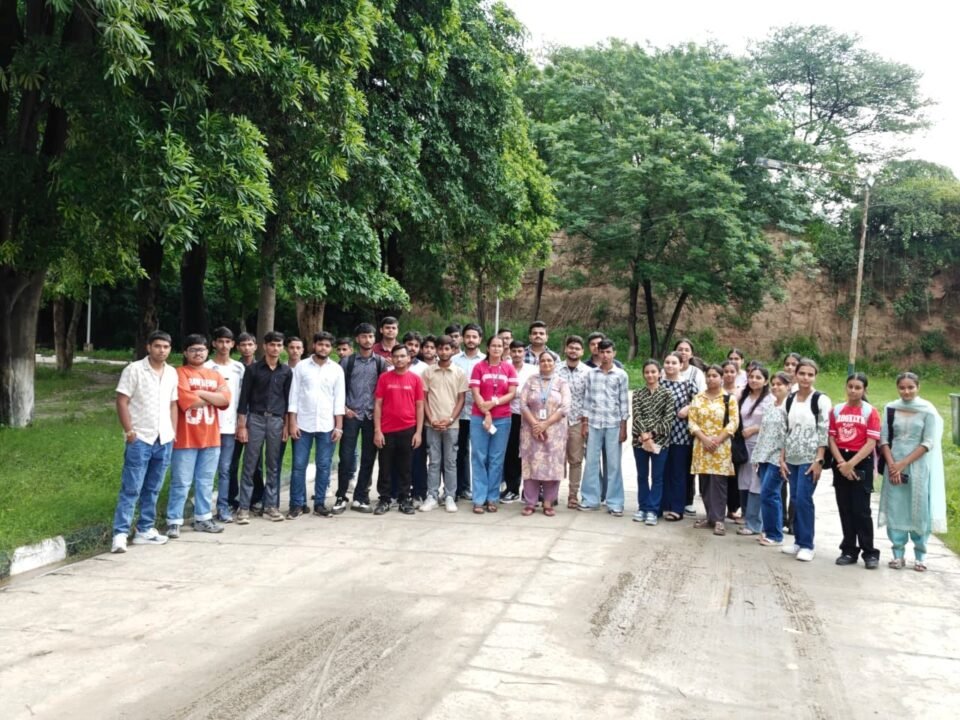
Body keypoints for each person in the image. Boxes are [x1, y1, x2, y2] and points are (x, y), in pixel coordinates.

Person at [111, 331, 179, 553]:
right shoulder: (134, 370)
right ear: (148, 347)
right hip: (140, 437)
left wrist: (173, 431)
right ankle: (120, 534)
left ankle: (145, 529)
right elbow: (122, 401)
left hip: (164, 438)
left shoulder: (171, 373)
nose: (162, 350)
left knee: (153, 487)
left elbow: (173, 404)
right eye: (158, 346)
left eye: (166, 347)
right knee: (131, 487)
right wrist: (129, 431)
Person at [879, 372, 947, 572]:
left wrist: (903, 463)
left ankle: (920, 555)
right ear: (897, 388)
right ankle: (897, 554)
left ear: (918, 387)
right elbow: (884, 439)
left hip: (918, 466)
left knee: (919, 508)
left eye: (911, 387)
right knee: (895, 506)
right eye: (902, 387)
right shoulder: (890, 408)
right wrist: (893, 465)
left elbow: (928, 442)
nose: (906, 391)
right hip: (893, 464)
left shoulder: (928, 410)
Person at [166, 335, 231, 539]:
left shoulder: (216, 375)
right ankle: (174, 521)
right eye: (193, 349)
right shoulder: (179, 373)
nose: (198, 353)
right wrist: (213, 397)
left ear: (207, 351)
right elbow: (188, 401)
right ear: (185, 352)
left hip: (211, 437)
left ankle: (203, 518)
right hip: (185, 437)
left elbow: (225, 400)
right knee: (181, 482)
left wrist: (200, 392)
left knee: (206, 481)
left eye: (201, 349)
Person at [235, 331, 292, 524]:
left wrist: (286, 425)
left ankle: (271, 506)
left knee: (273, 465)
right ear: (265, 346)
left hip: (276, 421)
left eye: (279, 345)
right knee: (250, 464)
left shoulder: (286, 371)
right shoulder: (253, 370)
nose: (275, 348)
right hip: (256, 419)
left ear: (282, 348)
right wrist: (242, 426)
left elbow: (287, 400)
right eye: (272, 344)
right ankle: (244, 507)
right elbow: (243, 399)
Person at [287, 331, 345, 518]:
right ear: (314, 345)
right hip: (303, 424)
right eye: (320, 344)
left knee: (324, 465)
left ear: (331, 348)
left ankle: (319, 503)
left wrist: (338, 427)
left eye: (327, 345)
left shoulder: (336, 369)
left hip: (327, 425)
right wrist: (292, 423)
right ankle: (297, 504)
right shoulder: (301, 367)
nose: (323, 348)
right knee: (298, 465)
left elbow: (339, 400)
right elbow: (294, 396)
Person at [827, 372, 881, 569]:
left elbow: (871, 442)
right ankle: (848, 550)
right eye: (850, 386)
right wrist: (842, 463)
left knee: (861, 510)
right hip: (841, 461)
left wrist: (852, 464)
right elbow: (832, 438)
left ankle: (870, 552)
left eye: (858, 387)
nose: (853, 391)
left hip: (861, 460)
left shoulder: (870, 412)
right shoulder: (836, 410)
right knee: (845, 508)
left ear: (864, 389)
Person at [781, 358, 831, 562]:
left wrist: (819, 459)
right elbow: (785, 429)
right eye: (802, 373)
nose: (805, 378)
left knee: (803, 499)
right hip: (791, 457)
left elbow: (824, 430)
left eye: (810, 374)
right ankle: (798, 541)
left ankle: (807, 545)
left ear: (815, 377)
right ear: (796, 375)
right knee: (794, 499)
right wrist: (782, 458)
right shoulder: (790, 399)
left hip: (810, 459)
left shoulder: (820, 399)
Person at [337, 323, 389, 513]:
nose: (367, 340)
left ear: (375, 338)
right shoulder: (347, 362)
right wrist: (344, 408)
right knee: (346, 457)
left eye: (371, 336)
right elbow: (338, 388)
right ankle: (341, 496)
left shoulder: (381, 363)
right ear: (357, 339)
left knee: (368, 458)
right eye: (364, 336)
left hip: (371, 416)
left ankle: (361, 496)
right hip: (351, 415)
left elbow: (385, 391)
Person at [580, 340, 630, 516]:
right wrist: (584, 423)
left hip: (613, 424)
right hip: (593, 423)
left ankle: (615, 502)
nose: (605, 355)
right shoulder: (591, 374)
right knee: (591, 463)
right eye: (602, 352)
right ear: (597, 353)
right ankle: (590, 499)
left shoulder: (621, 375)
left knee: (614, 464)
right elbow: (587, 400)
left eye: (608, 352)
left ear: (614, 353)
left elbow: (624, 402)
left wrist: (623, 427)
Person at [469, 336, 518, 513]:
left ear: (504, 349)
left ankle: (492, 497)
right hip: (479, 417)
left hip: (503, 418)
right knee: (479, 457)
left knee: (496, 458)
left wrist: (494, 403)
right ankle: (479, 498)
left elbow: (512, 393)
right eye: (493, 346)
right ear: (488, 348)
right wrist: (487, 412)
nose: (497, 349)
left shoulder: (509, 368)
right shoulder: (479, 367)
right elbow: (475, 392)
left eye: (500, 346)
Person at [688, 365, 739, 536]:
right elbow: (692, 422)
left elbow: (733, 422)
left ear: (721, 378)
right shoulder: (698, 398)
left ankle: (718, 520)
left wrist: (717, 440)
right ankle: (710, 517)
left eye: (715, 375)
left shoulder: (728, 399)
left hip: (720, 447)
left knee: (718, 484)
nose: (711, 378)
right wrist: (704, 439)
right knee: (704, 483)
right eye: (708, 375)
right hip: (701, 446)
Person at [373, 346, 424, 515]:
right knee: (385, 466)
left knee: (405, 467)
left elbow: (420, 406)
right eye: (396, 356)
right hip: (386, 430)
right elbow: (378, 404)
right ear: (391, 359)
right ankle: (385, 499)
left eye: (403, 356)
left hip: (408, 429)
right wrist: (377, 430)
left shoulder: (416, 379)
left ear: (409, 358)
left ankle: (404, 499)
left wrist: (418, 432)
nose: (399, 359)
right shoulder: (384, 378)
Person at [519, 352, 571, 516]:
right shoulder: (531, 381)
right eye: (543, 360)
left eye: (549, 360)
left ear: (555, 363)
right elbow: (522, 404)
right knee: (530, 464)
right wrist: (536, 425)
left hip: (555, 432)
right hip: (531, 431)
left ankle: (548, 502)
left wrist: (545, 424)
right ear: (538, 363)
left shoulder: (562, 383)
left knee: (552, 465)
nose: (546, 363)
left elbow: (565, 407)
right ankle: (530, 502)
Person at [421, 335, 468, 512]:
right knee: (434, 461)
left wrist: (449, 420)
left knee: (450, 462)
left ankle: (449, 496)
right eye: (440, 348)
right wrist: (431, 419)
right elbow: (424, 398)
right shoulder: (428, 372)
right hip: (431, 424)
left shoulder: (459, 373)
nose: (443, 351)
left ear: (453, 350)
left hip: (452, 425)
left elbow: (461, 399)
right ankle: (432, 496)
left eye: (447, 348)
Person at [205, 326, 246, 523]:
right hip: (208, 425)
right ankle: (203, 510)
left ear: (233, 344)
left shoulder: (239, 368)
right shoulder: (206, 366)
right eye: (220, 341)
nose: (223, 345)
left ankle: (223, 507)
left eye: (227, 341)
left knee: (225, 469)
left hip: (230, 426)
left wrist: (241, 424)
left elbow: (242, 399)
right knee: (206, 470)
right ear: (214, 343)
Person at [631, 359, 675, 525]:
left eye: (653, 372)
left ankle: (653, 509)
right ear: (643, 374)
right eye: (647, 372)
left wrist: (651, 435)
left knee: (657, 477)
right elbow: (637, 416)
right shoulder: (638, 393)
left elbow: (668, 419)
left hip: (660, 442)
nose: (650, 375)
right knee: (642, 476)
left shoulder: (667, 394)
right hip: (639, 441)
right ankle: (642, 507)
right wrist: (644, 436)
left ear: (659, 373)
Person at [735, 366, 773, 536]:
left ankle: (755, 524)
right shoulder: (744, 397)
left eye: (758, 377)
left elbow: (774, 423)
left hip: (760, 445)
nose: (754, 380)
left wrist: (755, 428)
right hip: (743, 446)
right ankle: (746, 516)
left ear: (765, 381)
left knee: (756, 483)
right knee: (744, 481)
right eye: (751, 377)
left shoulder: (769, 400)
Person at [754, 372, 791, 547]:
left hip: (778, 457)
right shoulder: (770, 405)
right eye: (773, 384)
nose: (775, 387)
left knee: (769, 493)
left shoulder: (789, 407)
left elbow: (788, 434)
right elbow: (763, 432)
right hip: (764, 455)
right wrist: (757, 455)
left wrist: (784, 458)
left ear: (788, 386)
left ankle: (775, 534)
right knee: (768, 494)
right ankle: (769, 529)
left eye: (780, 384)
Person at [660, 352, 697, 521]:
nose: (670, 365)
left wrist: (689, 408)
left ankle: (677, 507)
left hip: (681, 435)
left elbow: (700, 402)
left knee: (678, 472)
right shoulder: (659, 382)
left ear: (681, 365)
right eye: (667, 362)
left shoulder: (688, 384)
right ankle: (662, 504)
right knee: (662, 471)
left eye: (674, 363)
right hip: (660, 434)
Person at [229, 332, 263, 511]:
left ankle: (257, 498)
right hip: (233, 420)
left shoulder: (261, 368)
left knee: (255, 463)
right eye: (243, 345)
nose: (247, 348)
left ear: (255, 347)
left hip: (256, 420)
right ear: (237, 347)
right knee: (232, 463)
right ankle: (231, 499)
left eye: (250, 344)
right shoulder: (233, 368)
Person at [452, 323, 485, 501]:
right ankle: (461, 488)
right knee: (460, 451)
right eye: (468, 336)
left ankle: (481, 490)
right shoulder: (454, 360)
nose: (471, 340)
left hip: (479, 413)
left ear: (480, 339)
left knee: (480, 453)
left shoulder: (486, 360)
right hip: (459, 413)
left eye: (474, 337)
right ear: (462, 338)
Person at [557, 335, 590, 509]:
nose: (573, 351)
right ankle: (552, 494)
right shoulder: (556, 369)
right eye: (571, 347)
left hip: (577, 421)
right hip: (556, 420)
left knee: (575, 460)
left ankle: (572, 495)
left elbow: (589, 398)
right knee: (555, 458)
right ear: (565, 349)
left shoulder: (588, 372)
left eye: (577, 348)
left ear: (582, 352)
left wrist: (585, 421)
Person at [502, 339, 538, 503]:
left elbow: (535, 392)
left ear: (525, 353)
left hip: (529, 416)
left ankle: (530, 491)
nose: (516, 354)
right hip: (509, 414)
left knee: (530, 453)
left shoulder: (533, 370)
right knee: (511, 453)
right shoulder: (504, 367)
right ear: (509, 352)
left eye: (520, 351)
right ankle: (512, 488)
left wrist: (515, 393)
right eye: (514, 351)